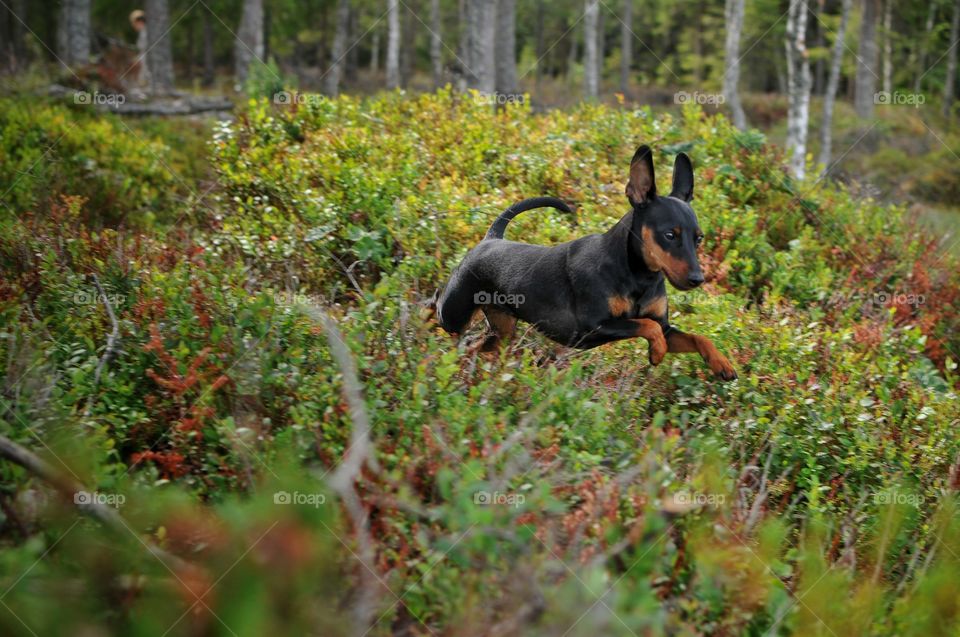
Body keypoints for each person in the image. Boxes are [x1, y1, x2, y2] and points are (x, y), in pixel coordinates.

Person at [130, 10, 151, 92]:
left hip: (145, 57)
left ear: (139, 22)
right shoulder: (143, 32)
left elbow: (143, 47)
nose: (134, 26)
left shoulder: (145, 32)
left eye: (134, 23)